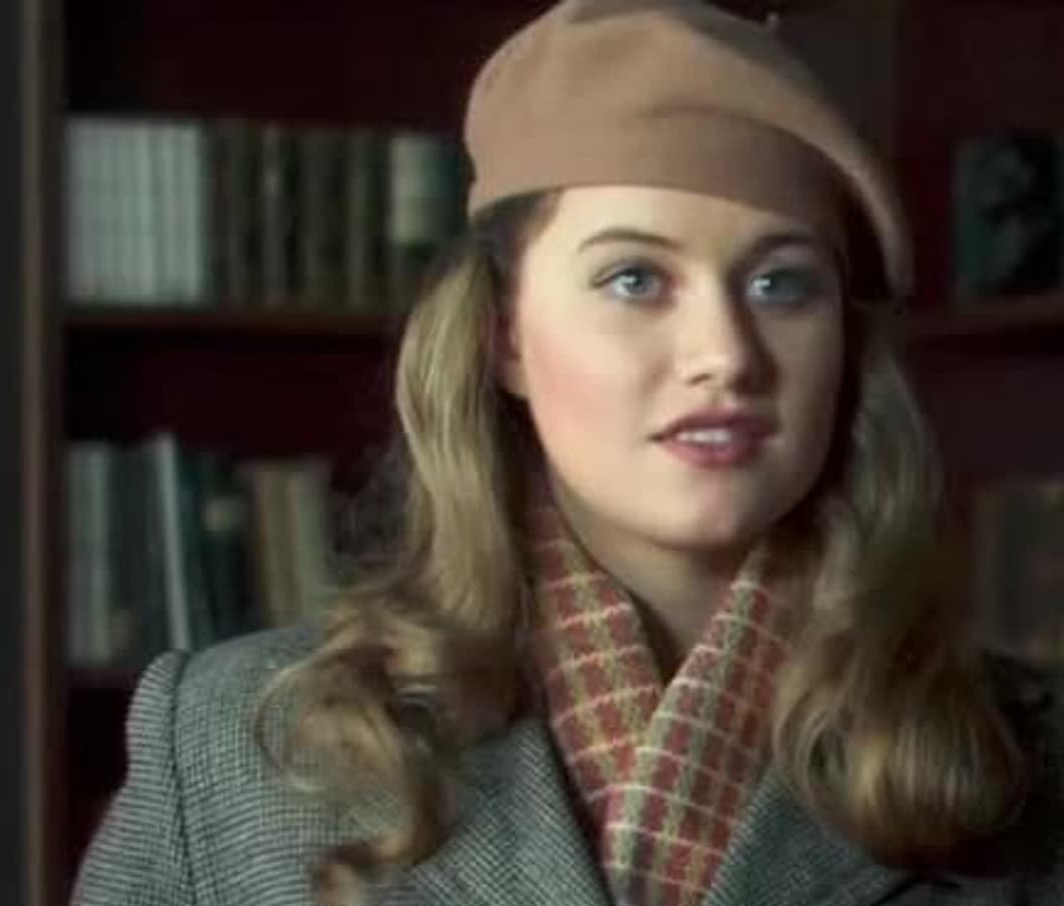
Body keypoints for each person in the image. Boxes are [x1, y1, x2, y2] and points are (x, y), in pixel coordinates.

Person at [71, 1, 1064, 903]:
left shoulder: (1026, 762)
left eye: (780, 285)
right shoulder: (231, 747)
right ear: (505, 336)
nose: (725, 354)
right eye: (635, 280)